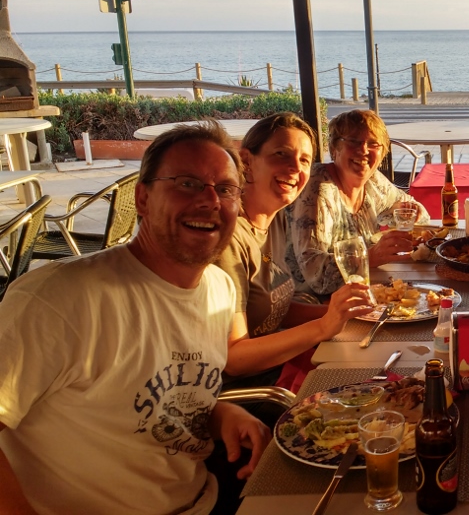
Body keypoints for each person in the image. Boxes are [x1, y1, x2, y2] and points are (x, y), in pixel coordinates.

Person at [0, 122, 270, 515]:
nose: (211, 200)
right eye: (187, 184)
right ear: (142, 198)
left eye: (226, 189)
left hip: (205, 497)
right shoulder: (56, 299)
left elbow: (141, 402)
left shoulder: (217, 287)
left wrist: (220, 414)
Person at [215, 112, 374, 391]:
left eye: (304, 160)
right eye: (281, 154)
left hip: (277, 365)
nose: (295, 168)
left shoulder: (273, 218)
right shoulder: (228, 239)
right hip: (250, 391)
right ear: (246, 161)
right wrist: (324, 325)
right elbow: (234, 359)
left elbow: (276, 310)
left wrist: (342, 313)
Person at [288, 109, 429, 295]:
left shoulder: (372, 181)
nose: (363, 150)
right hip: (310, 303)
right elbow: (315, 273)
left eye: (373, 144)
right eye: (354, 141)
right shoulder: (319, 187)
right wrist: (369, 257)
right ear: (333, 148)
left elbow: (419, 214)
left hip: (359, 290)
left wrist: (410, 211)